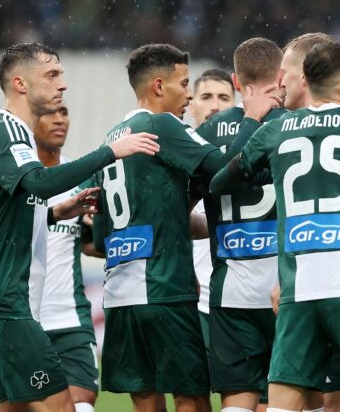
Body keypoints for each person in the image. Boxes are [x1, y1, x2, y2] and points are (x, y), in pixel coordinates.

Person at [211, 40, 340, 412]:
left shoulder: (276, 130)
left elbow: (221, 181)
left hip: (296, 291)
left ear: (304, 80)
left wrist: (263, 170)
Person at [0, 42, 159, 412]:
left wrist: (54, 214)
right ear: (20, 83)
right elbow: (39, 183)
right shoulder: (5, 129)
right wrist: (110, 152)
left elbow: (4, 216)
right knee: (62, 406)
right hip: (5, 303)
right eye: (51, 75)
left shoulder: (11, 133)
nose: (62, 84)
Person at [92, 43, 280, 412]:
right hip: (163, 287)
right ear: (159, 86)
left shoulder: (113, 139)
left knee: (146, 402)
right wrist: (252, 118)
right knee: (191, 398)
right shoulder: (162, 125)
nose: (189, 94)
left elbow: (101, 237)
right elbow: (227, 166)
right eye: (183, 84)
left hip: (118, 296)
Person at [195, 38, 285, 412]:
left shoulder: (206, 133)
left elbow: (181, 205)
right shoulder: (294, 125)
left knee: (236, 399)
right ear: (281, 77)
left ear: (235, 82)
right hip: (287, 287)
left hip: (231, 290)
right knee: (292, 396)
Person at [33, 105, 102, 412]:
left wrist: (100, 230)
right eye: (50, 113)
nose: (60, 119)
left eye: (63, 112)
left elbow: (91, 246)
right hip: (24, 319)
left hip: (71, 318)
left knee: (82, 402)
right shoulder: (15, 179)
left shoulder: (81, 179)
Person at [188, 68, 236, 359]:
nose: (215, 106)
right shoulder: (177, 156)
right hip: (194, 302)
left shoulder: (249, 156)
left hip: (240, 298)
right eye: (206, 97)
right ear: (191, 105)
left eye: (224, 98)